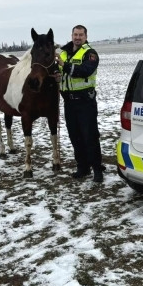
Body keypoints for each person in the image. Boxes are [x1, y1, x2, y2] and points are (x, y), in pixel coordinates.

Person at [56, 25, 105, 182]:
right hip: (69, 102)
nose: (77, 37)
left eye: (80, 35)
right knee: (75, 136)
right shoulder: (63, 53)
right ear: (71, 35)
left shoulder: (90, 54)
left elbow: (85, 70)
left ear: (85, 36)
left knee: (89, 136)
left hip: (85, 102)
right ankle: (82, 167)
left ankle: (97, 169)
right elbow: (59, 72)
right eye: (75, 34)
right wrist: (57, 76)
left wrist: (65, 66)